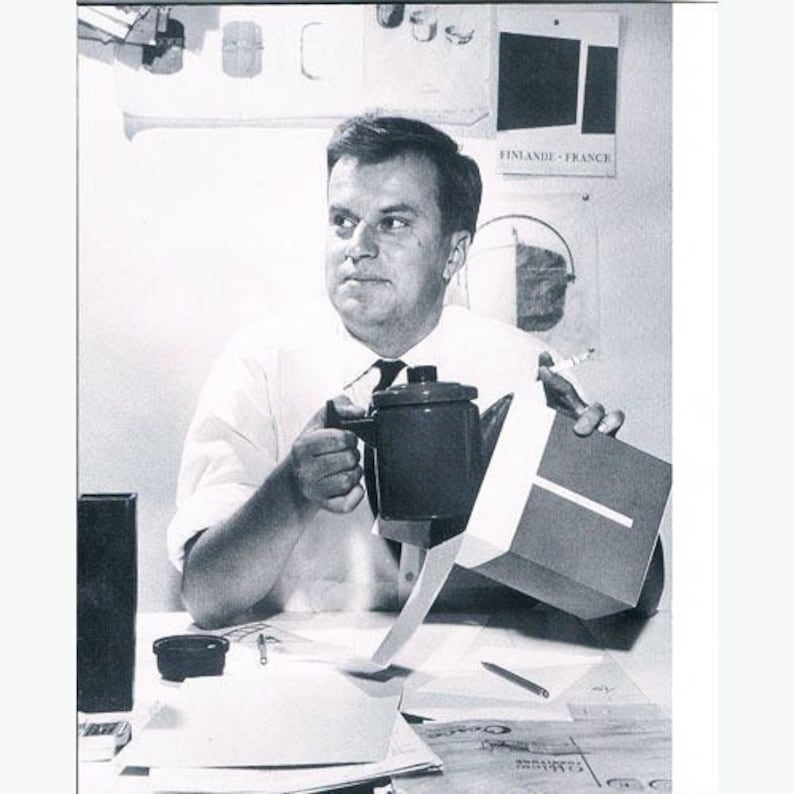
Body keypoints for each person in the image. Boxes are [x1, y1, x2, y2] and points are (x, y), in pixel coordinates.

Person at [168, 115, 631, 629]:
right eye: (343, 220)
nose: (357, 246)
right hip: (311, 677)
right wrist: (290, 492)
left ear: (453, 253)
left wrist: (596, 483)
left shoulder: (525, 371)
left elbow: (627, 604)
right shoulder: (260, 363)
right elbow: (206, 597)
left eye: (393, 223)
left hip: (492, 673)